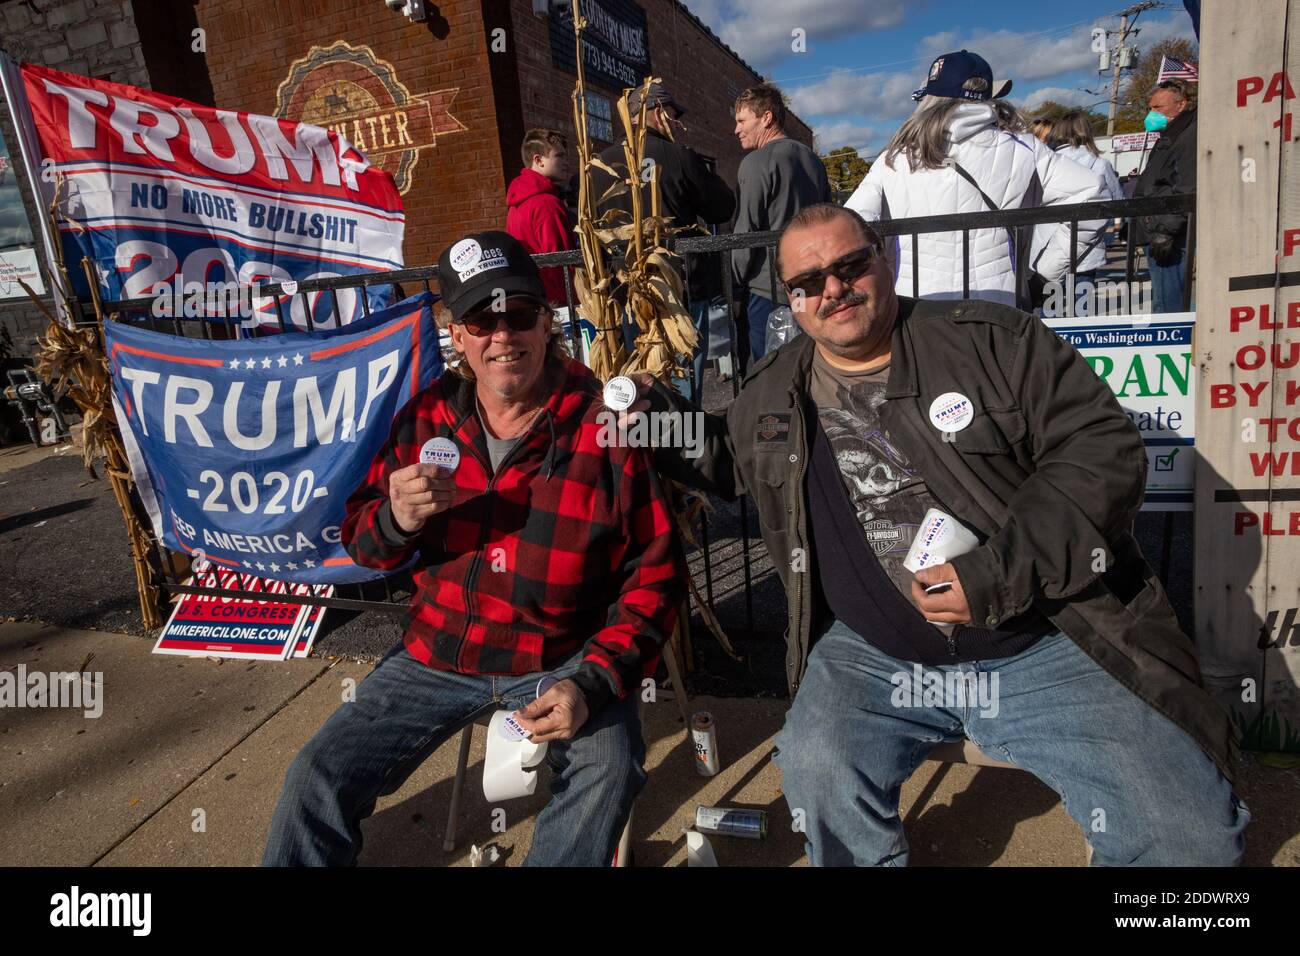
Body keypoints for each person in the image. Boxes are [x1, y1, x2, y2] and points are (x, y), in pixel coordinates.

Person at [629, 203, 1247, 866]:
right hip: (876, 651)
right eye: (808, 282)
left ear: (882, 258)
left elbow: (1101, 453)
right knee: (817, 770)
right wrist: (647, 415)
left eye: (848, 265)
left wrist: (996, 575)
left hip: (1046, 638)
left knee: (1190, 842)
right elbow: (724, 457)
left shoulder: (993, 343)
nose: (832, 289)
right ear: (792, 299)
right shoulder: (779, 385)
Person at [264, 231, 687, 867]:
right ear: (456, 335)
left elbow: (655, 579)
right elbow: (364, 542)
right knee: (315, 777)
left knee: (609, 770)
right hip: (436, 651)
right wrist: (396, 520)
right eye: (479, 320)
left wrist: (594, 682)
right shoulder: (427, 419)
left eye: (518, 314)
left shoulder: (609, 426)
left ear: (547, 323)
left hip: (560, 656)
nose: (502, 335)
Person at [845, 50, 1106, 308]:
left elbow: (850, 226)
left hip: (914, 308)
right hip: (1000, 306)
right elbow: (1094, 196)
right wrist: (1046, 273)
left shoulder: (895, 157)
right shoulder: (1024, 149)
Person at [589, 82, 735, 399]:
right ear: (657, 112)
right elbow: (722, 206)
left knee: (639, 371)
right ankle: (683, 440)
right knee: (682, 372)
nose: (677, 121)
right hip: (678, 288)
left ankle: (653, 441)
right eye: (672, 113)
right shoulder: (678, 155)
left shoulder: (598, 166)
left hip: (626, 289)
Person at [732, 83, 832, 369]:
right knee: (810, 362)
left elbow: (745, 234)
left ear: (766, 118)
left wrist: (735, 286)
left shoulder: (756, 162)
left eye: (742, 121)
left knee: (769, 370)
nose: (736, 130)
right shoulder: (813, 160)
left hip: (768, 289)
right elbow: (827, 218)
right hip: (810, 285)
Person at [1028, 111, 1124, 313]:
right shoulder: (1100, 164)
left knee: (1044, 311)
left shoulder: (1045, 163)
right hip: (1086, 251)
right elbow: (1117, 202)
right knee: (1079, 313)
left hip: (1046, 247)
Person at [1132, 79, 1197, 313]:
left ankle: (1174, 343)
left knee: (1169, 305)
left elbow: (1186, 186)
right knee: (1167, 299)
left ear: (1181, 104)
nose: (1152, 114)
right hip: (1157, 227)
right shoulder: (1169, 136)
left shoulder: (1189, 136)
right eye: (1150, 108)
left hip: (1169, 233)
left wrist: (1165, 230)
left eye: (1158, 108)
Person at [506, 129, 575, 307]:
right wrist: (573, 302)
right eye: (559, 156)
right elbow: (560, 263)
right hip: (559, 302)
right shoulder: (547, 204)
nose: (566, 163)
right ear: (538, 160)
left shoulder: (516, 204)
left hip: (536, 299)